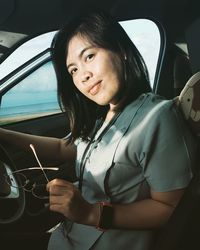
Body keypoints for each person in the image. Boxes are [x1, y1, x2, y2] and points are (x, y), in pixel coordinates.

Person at [0, 9, 197, 250]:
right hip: (66, 237)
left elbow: (172, 209)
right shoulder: (105, 116)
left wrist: (92, 213)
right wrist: (4, 135)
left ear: (122, 51)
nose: (82, 75)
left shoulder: (158, 117)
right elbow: (64, 147)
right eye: (73, 69)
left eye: (89, 56)